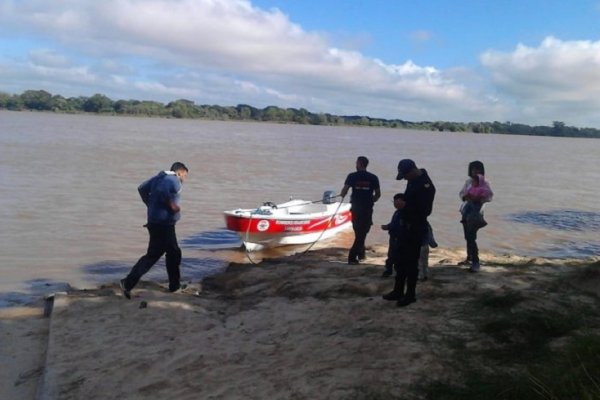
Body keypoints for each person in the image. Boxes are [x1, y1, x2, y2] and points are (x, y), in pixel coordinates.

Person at [120, 162, 189, 299]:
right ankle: (128, 283)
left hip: (158, 222)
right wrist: (172, 205)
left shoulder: (158, 178)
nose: (184, 179)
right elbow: (163, 190)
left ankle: (174, 286)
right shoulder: (172, 179)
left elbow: (141, 188)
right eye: (185, 175)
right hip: (163, 223)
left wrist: (150, 204)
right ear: (180, 172)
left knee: (172, 253)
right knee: (156, 255)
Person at [382, 159, 435, 307]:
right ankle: (398, 291)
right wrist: (401, 200)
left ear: (412, 170)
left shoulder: (426, 186)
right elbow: (411, 200)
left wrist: (405, 205)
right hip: (404, 227)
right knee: (400, 261)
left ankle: (410, 295)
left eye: (405, 175)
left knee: (411, 264)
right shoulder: (413, 181)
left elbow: (425, 211)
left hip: (416, 228)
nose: (404, 178)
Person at [340, 156, 381, 265]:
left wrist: (342, 194)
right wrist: (372, 200)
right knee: (363, 232)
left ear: (360, 163)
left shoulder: (352, 176)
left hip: (356, 208)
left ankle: (353, 257)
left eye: (356, 163)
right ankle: (360, 255)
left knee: (359, 232)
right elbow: (378, 194)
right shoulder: (373, 177)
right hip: (367, 209)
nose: (355, 165)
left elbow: (344, 191)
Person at [458, 161, 493, 272]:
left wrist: (478, 198)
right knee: (467, 236)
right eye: (473, 169)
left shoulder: (485, 182)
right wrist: (465, 197)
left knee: (471, 237)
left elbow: (489, 196)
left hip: (476, 212)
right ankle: (469, 257)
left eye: (477, 169)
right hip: (465, 211)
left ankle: (475, 262)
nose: (475, 172)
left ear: (482, 170)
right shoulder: (468, 181)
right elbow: (461, 194)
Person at [381, 193, 406, 278]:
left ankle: (396, 271)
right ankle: (388, 270)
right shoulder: (397, 212)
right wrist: (387, 226)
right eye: (394, 202)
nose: (394, 204)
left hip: (400, 237)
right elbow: (393, 223)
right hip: (393, 237)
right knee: (391, 255)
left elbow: (398, 226)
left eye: (396, 202)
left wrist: (388, 227)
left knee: (398, 256)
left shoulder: (405, 213)